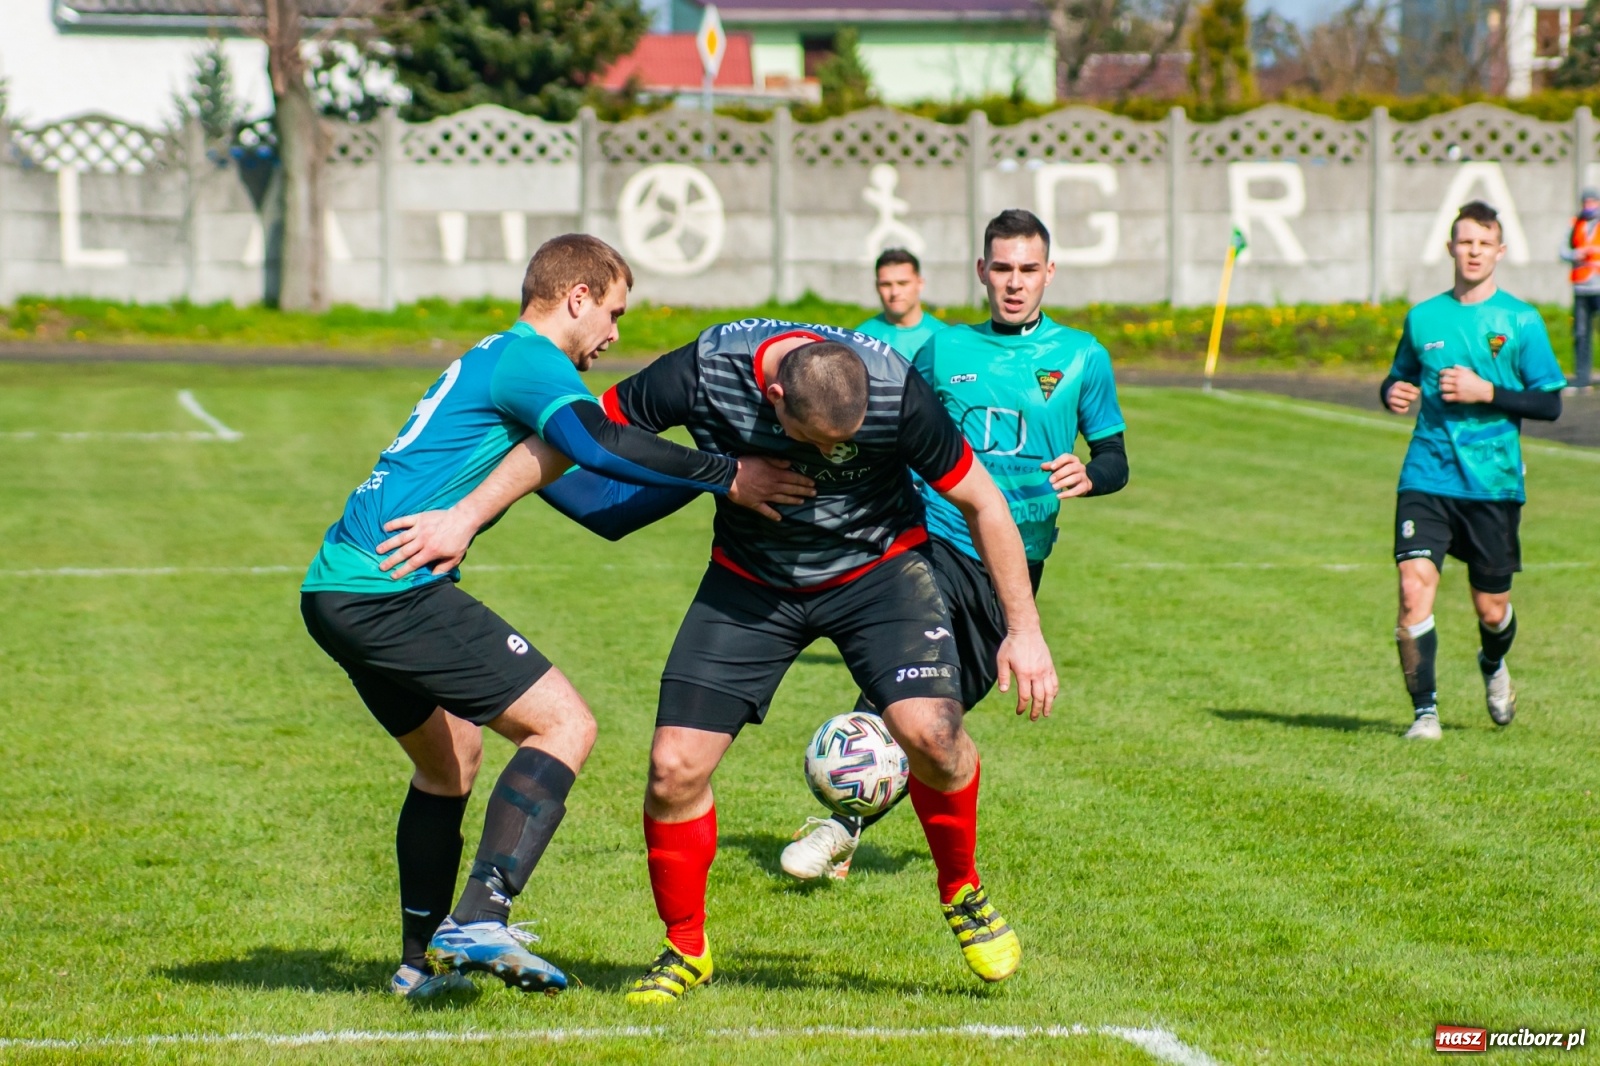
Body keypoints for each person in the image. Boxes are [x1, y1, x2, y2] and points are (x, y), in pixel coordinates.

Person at [298, 234, 812, 999]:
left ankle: (416, 966)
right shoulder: (531, 361)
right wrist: (727, 470)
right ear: (576, 297)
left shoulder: (497, 358)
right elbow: (598, 443)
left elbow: (603, 506)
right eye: (614, 313)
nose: (613, 335)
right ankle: (481, 917)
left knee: (450, 762)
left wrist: (713, 482)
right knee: (566, 726)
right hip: (388, 589)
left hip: (336, 588)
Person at [586, 323, 1058, 1003]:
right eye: (817, 441)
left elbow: (982, 501)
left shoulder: (895, 389)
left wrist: (1024, 630)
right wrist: (724, 474)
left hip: (880, 572)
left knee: (935, 737)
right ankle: (685, 947)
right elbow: (595, 430)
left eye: (848, 441)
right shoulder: (705, 369)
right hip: (750, 581)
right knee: (673, 769)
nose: (833, 454)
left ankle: (962, 890)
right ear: (774, 396)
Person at [781, 208, 1129, 883]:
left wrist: (1092, 473)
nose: (1015, 282)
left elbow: (1115, 456)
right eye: (1002, 268)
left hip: (1016, 567)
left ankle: (848, 829)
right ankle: (836, 828)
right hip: (936, 541)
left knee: (941, 718)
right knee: (904, 684)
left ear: (1049, 273)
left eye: (1028, 269)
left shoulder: (1083, 356)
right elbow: (894, 433)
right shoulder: (943, 350)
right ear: (981, 272)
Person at [1381, 201, 1564, 741]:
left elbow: (1550, 403)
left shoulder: (1521, 320)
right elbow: (1398, 375)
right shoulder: (1423, 317)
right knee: (1412, 589)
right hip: (1427, 472)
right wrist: (1393, 392)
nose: (1474, 252)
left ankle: (1493, 663)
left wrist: (1487, 392)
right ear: (1451, 248)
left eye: (1484, 243)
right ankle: (1425, 715)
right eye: (1465, 242)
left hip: (1493, 482)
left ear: (1499, 251)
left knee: (1491, 609)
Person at [855, 247, 948, 358]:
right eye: (886, 284)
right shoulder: (860, 339)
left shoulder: (943, 338)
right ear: (877, 287)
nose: (895, 292)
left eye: (903, 283)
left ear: (920, 283)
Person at [1560, 187, 1600, 392]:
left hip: (1598, 284)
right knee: (1581, 333)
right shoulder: (1576, 223)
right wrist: (1578, 253)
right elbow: (1562, 251)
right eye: (1586, 202)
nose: (1589, 206)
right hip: (1581, 286)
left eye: (1592, 202)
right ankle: (1582, 377)